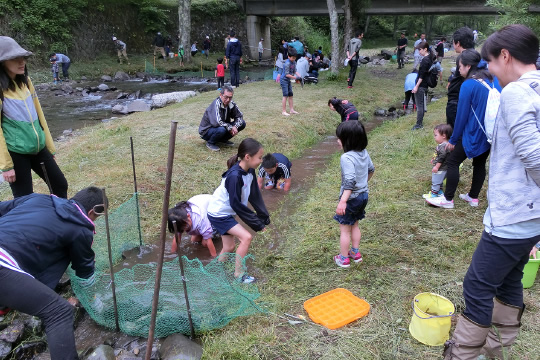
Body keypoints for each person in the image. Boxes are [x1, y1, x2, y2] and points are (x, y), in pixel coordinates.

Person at [443, 24, 540, 360]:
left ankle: (465, 354)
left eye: (492, 64)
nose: (491, 71)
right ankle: (495, 350)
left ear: (506, 56)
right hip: (532, 219)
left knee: (478, 285)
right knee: (509, 281)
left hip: (513, 214)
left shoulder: (516, 92)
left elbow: (535, 157)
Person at [0, 186, 106, 360]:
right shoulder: (81, 228)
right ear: (93, 212)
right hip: (3, 263)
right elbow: (84, 271)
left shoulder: (38, 199)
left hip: (8, 262)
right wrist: (95, 299)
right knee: (59, 311)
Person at [426, 49, 499, 209]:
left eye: (460, 66)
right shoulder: (491, 79)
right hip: (488, 132)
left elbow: (461, 116)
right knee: (479, 164)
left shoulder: (468, 85)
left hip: (472, 134)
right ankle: (473, 198)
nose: (459, 70)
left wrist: (453, 139)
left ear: (467, 66)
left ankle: (448, 199)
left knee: (452, 162)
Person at [1, 37, 68, 198]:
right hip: (16, 152)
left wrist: (50, 147)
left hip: (38, 147)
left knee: (60, 185)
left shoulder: (26, 82)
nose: (21, 62)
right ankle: (27, 224)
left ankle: (57, 221)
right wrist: (6, 165)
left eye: (22, 57)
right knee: (25, 200)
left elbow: (39, 115)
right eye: (14, 58)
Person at [207, 138, 270, 283]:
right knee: (246, 237)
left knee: (229, 246)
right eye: (259, 157)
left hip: (225, 212)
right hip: (219, 213)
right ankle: (239, 274)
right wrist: (257, 224)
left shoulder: (250, 171)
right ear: (247, 157)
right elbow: (236, 204)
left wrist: (263, 216)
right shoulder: (234, 176)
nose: (261, 160)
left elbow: (254, 195)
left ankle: (216, 270)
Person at [333, 120, 374, 268]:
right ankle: (355, 253)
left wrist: (343, 200)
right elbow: (371, 170)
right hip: (363, 196)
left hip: (351, 199)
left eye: (339, 138)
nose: (338, 141)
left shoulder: (347, 157)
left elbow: (349, 182)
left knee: (345, 229)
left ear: (347, 140)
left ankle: (343, 259)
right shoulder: (363, 152)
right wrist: (364, 184)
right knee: (355, 224)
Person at [199, 85, 246, 152]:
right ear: (221, 95)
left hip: (221, 127)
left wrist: (235, 126)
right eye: (226, 97)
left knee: (242, 123)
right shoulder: (216, 104)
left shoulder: (231, 103)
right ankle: (210, 143)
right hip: (207, 131)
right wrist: (230, 127)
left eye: (230, 97)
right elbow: (217, 122)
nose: (228, 100)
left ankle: (222, 140)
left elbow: (239, 116)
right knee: (221, 129)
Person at [447, 27, 475, 128]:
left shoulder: (463, 57)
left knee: (455, 133)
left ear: (458, 43)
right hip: (464, 100)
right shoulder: (475, 55)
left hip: (456, 100)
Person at [423, 124, 452, 199]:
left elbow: (442, 158)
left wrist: (436, 166)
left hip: (441, 168)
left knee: (436, 181)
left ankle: (434, 195)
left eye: (436, 135)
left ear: (443, 136)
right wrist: (433, 158)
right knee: (440, 180)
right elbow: (438, 154)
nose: (434, 137)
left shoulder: (444, 146)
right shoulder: (442, 145)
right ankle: (439, 192)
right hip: (441, 168)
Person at [411, 41, 434, 130]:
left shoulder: (425, 60)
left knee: (419, 106)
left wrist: (416, 86)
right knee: (421, 104)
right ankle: (420, 122)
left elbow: (422, 75)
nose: (419, 51)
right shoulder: (430, 58)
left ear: (425, 49)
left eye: (420, 50)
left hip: (421, 85)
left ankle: (418, 124)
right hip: (424, 85)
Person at [280, 48, 301, 116]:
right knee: (285, 95)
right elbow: (287, 74)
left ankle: (291, 110)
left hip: (288, 80)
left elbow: (295, 71)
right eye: (292, 58)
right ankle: (283, 111)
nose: (294, 59)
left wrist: (299, 75)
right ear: (288, 56)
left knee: (291, 95)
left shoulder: (294, 62)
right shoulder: (287, 63)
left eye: (295, 58)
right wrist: (295, 77)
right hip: (284, 80)